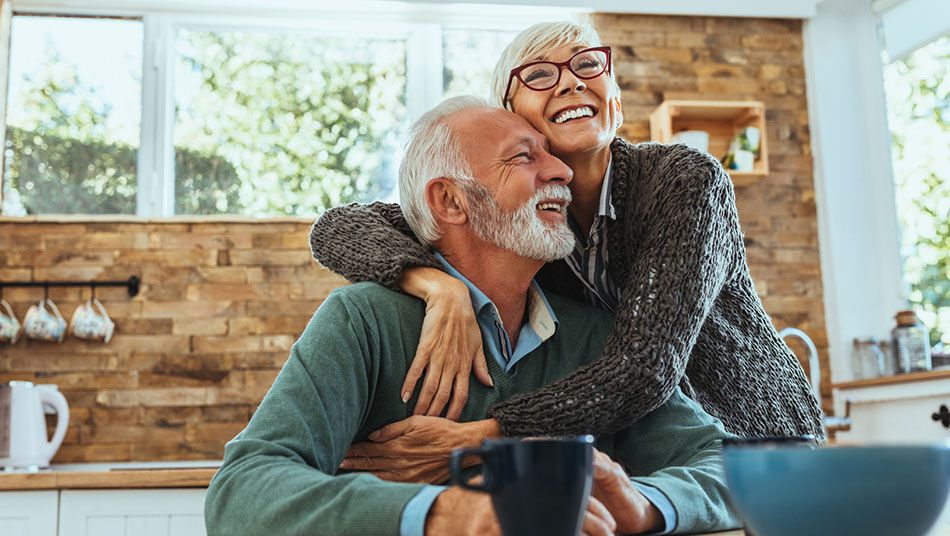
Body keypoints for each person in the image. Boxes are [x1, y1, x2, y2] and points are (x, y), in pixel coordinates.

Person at [205, 97, 739, 536]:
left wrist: (644, 504)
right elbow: (241, 491)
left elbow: (728, 466)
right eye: (524, 157)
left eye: (551, 155)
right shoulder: (364, 321)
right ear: (451, 201)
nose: (561, 171)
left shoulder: (596, 337)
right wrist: (442, 514)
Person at [310, 20, 824, 441]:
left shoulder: (685, 180)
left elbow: (644, 367)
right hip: (651, 452)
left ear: (614, 99)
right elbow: (339, 226)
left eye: (587, 65)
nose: (571, 82)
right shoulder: (520, 220)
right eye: (538, 74)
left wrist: (484, 435)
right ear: (511, 117)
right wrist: (437, 285)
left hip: (757, 437)